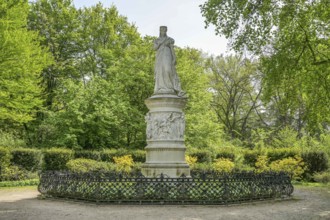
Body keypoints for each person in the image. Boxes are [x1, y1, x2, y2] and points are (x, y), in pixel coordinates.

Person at [153, 26, 185, 97]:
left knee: (168, 70)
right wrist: (160, 43)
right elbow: (154, 48)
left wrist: (174, 58)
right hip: (159, 57)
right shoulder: (157, 40)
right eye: (162, 30)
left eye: (164, 30)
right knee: (160, 71)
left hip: (167, 55)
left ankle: (170, 87)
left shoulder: (170, 39)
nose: (163, 31)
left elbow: (172, 49)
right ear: (160, 31)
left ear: (166, 31)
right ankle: (160, 87)